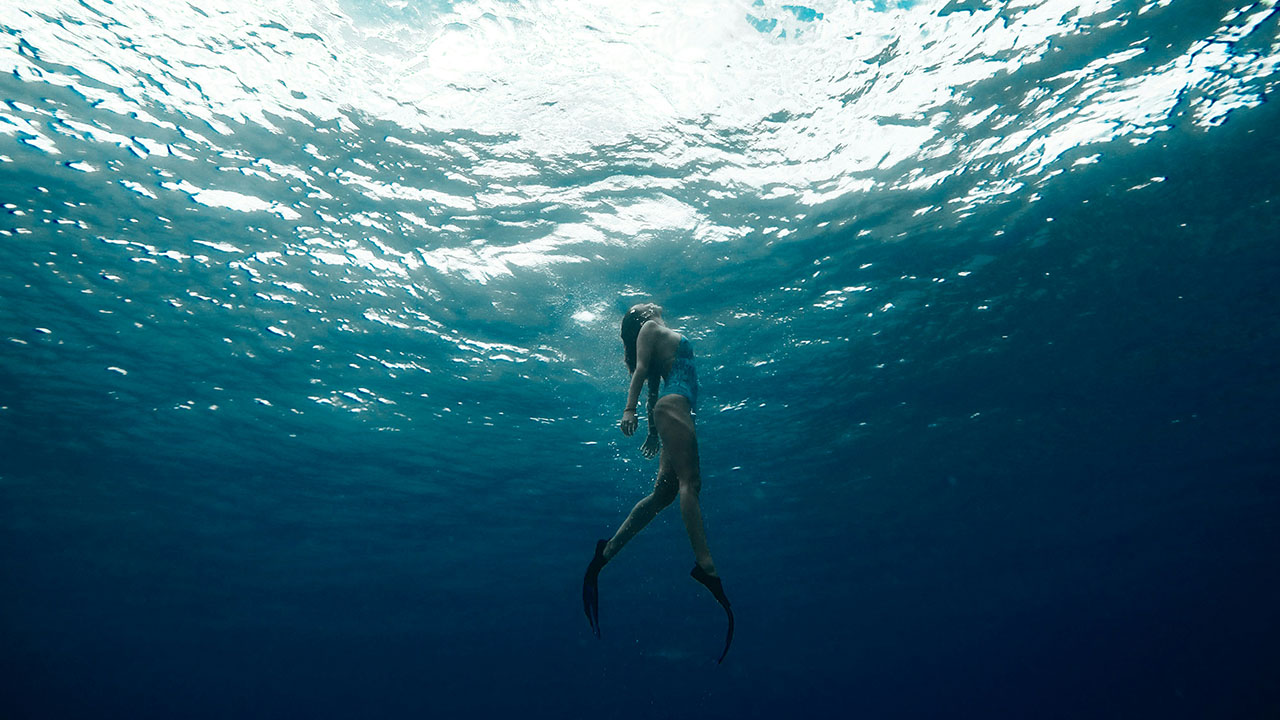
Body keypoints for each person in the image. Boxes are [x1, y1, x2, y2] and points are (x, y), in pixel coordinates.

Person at [581, 302, 734, 664]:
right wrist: (628, 409)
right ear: (641, 317)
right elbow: (642, 375)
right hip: (675, 408)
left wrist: (652, 430)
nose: (649, 303)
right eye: (642, 307)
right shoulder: (650, 326)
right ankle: (706, 566)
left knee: (664, 493)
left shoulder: (653, 334)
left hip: (669, 409)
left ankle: (604, 554)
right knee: (690, 484)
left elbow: (652, 387)